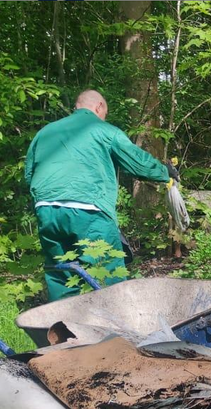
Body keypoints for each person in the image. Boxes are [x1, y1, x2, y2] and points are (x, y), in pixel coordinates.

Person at [25, 89, 178, 301]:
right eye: (104, 112)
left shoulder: (45, 132)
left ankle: (64, 329)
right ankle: (114, 329)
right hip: (89, 211)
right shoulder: (103, 130)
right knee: (108, 273)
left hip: (47, 210)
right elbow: (136, 162)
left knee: (61, 274)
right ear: (98, 107)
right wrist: (164, 172)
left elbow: (29, 174)